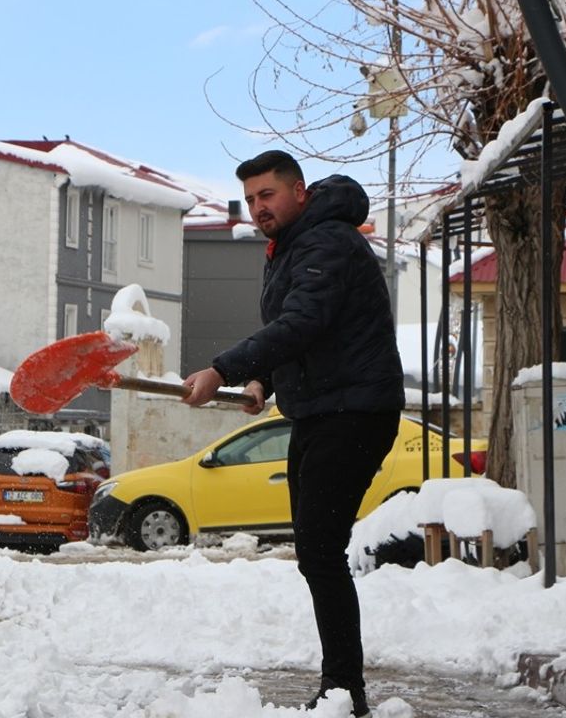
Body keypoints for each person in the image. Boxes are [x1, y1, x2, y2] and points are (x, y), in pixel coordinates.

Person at [181, 150, 404, 718]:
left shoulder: (325, 241)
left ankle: (344, 691)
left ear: (299, 191)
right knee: (315, 550)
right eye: (251, 199)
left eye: (268, 195)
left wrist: (223, 369)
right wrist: (263, 380)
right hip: (320, 411)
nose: (259, 207)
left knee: (321, 550)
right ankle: (341, 686)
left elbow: (302, 323)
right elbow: (308, 339)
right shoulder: (293, 244)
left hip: (354, 411)